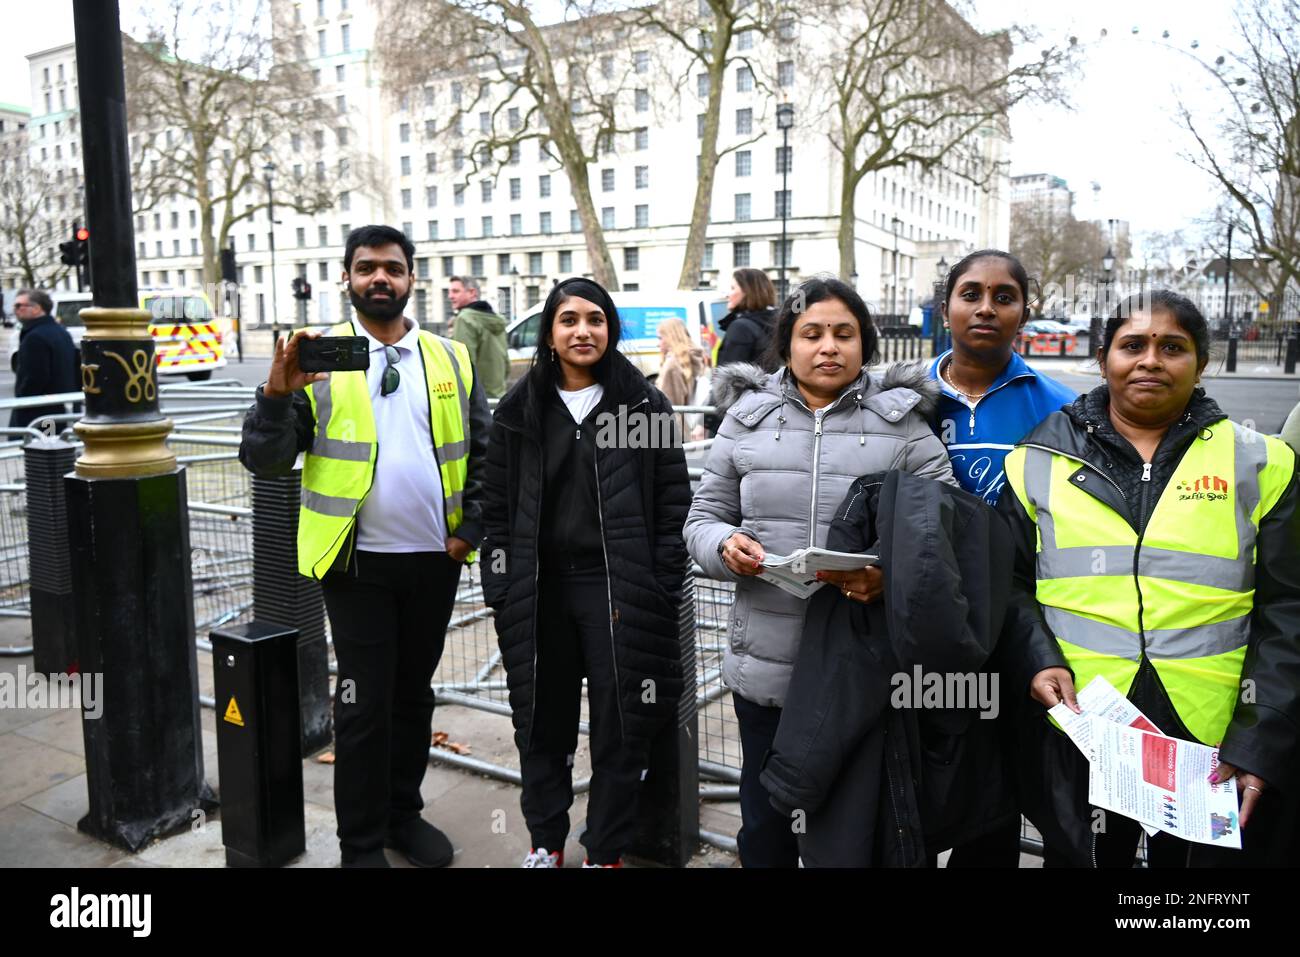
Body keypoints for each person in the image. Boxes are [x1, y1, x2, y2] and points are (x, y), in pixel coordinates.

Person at [1000, 290, 1300, 867]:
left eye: (1173, 347)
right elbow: (1009, 586)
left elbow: (1289, 610)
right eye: (1132, 345)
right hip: (1083, 729)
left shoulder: (1262, 462)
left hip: (1212, 741)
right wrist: (1037, 659)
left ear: (1201, 362)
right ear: (1103, 357)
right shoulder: (1035, 460)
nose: (1150, 360)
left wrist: (1263, 736)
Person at [239, 225, 492, 868]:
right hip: (355, 565)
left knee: (412, 696)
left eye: (392, 268)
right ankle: (359, 842)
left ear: (411, 279)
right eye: (365, 268)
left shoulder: (450, 356)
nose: (379, 278)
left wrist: (468, 534)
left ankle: (401, 816)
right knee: (362, 702)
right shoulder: (317, 357)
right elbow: (265, 461)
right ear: (346, 279)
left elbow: (490, 455)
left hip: (435, 562)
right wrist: (275, 394)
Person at [684, 275, 956, 867]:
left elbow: (943, 529)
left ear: (866, 345)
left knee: (853, 830)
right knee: (766, 822)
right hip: (767, 666)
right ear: (786, 346)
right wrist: (725, 545)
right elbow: (702, 518)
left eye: (843, 333)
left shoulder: (903, 424)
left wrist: (888, 574)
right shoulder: (746, 419)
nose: (827, 346)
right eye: (811, 333)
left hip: (864, 669)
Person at [480, 277, 691, 868]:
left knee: (621, 729)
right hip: (540, 590)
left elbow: (673, 506)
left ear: (611, 329)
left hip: (618, 589)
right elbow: (495, 507)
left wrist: (657, 583)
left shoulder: (644, 406)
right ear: (549, 332)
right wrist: (501, 585)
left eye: (595, 320)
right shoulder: (520, 408)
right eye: (569, 320)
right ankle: (545, 843)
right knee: (542, 725)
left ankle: (606, 851)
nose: (583, 331)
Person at [927, 249, 1077, 867]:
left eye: (1004, 297)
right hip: (924, 626)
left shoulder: (1062, 407)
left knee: (996, 793)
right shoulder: (899, 399)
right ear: (946, 308)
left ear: (1024, 311)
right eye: (971, 294)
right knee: (918, 780)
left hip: (1018, 625)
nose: (986, 308)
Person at [704, 269, 777, 435]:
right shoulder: (778, 324)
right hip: (769, 413)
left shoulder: (741, 327)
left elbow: (727, 380)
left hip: (738, 418)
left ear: (748, 291)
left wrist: (707, 421)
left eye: (732, 288)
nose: (727, 294)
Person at [10, 289, 78, 430]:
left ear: (36, 308)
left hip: (37, 413)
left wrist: (23, 399)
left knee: (35, 448)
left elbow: (35, 377)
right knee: (55, 447)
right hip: (57, 408)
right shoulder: (61, 332)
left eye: (19, 306)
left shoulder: (35, 337)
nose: (15, 310)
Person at [448, 276, 508, 398]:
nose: (450, 296)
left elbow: (464, 364)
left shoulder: (464, 319)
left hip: (476, 399)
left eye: (455, 291)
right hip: (498, 393)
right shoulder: (496, 319)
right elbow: (506, 362)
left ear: (472, 293)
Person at [655, 316, 709, 441]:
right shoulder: (692, 358)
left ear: (671, 337)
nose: (658, 343)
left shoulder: (672, 365)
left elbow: (670, 407)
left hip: (675, 434)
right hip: (690, 427)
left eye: (660, 338)